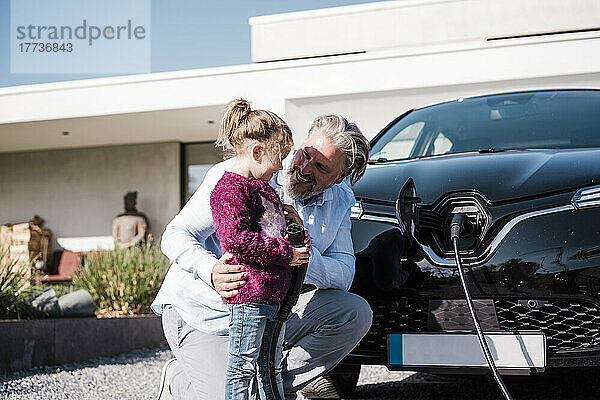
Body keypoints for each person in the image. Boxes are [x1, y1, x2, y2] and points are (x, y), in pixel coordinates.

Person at [152, 112, 372, 400]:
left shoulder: (341, 199)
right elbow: (175, 235)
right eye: (305, 154)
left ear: (340, 176)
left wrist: (299, 249)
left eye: (321, 167)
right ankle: (179, 383)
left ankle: (271, 381)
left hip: (267, 308)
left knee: (353, 312)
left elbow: (343, 275)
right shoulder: (243, 172)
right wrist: (210, 269)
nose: (304, 168)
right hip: (203, 313)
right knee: (229, 394)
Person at [209, 99, 311, 400]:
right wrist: (286, 254)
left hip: (274, 296)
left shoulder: (266, 189)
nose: (281, 166)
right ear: (257, 152)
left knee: (271, 366)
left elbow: (275, 235)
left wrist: (295, 228)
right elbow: (237, 239)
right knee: (242, 366)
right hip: (251, 297)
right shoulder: (229, 190)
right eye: (278, 158)